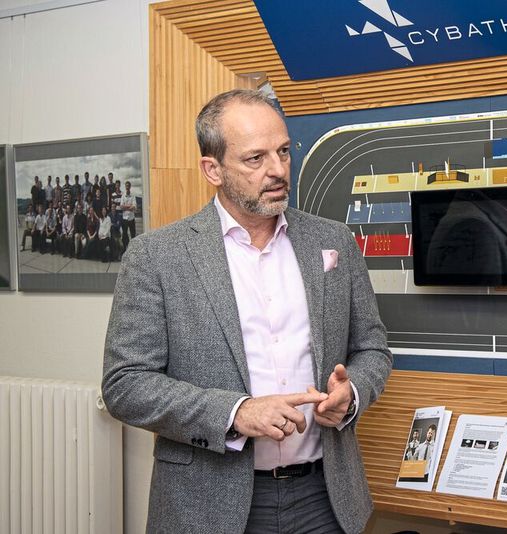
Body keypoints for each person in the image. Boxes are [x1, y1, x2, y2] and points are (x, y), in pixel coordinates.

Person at [102, 88, 392, 534]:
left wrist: (350, 396)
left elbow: (372, 349)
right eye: (255, 159)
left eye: (283, 152)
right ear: (212, 169)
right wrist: (235, 413)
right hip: (207, 503)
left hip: (326, 498)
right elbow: (125, 385)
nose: (277, 171)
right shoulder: (156, 257)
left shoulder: (333, 242)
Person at [119, 180, 137, 250]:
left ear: (130, 187)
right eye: (126, 186)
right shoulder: (123, 195)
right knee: (125, 235)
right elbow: (121, 207)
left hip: (131, 218)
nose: (127, 187)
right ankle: (125, 248)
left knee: (133, 234)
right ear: (125, 187)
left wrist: (125, 207)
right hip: (125, 218)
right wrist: (129, 207)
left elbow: (134, 207)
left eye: (128, 186)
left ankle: (133, 248)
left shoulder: (133, 195)